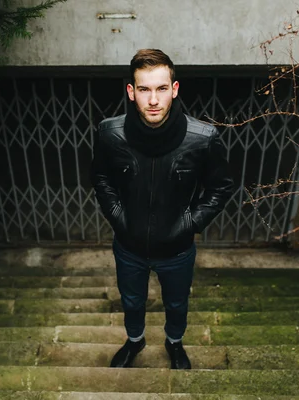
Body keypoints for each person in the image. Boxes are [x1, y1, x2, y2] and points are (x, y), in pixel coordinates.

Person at [90, 49, 234, 369]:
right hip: (129, 247)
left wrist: (190, 223)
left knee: (177, 303)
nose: (153, 99)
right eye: (144, 89)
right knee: (131, 301)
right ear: (131, 91)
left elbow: (221, 186)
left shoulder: (203, 138)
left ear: (175, 89)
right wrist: (119, 218)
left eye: (161, 88)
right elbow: (101, 178)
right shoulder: (109, 133)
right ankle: (135, 341)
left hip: (178, 250)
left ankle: (174, 344)